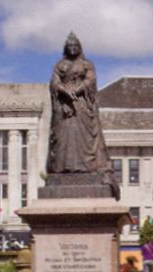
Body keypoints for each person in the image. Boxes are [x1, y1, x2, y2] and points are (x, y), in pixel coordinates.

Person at [47, 32, 119, 199]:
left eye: (75, 46)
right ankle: (63, 168)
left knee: (84, 138)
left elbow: (90, 81)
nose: (72, 49)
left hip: (81, 106)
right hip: (64, 107)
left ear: (79, 48)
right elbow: (54, 83)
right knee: (63, 138)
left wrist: (77, 90)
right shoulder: (60, 65)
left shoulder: (87, 65)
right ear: (66, 49)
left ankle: (86, 167)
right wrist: (64, 91)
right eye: (69, 46)